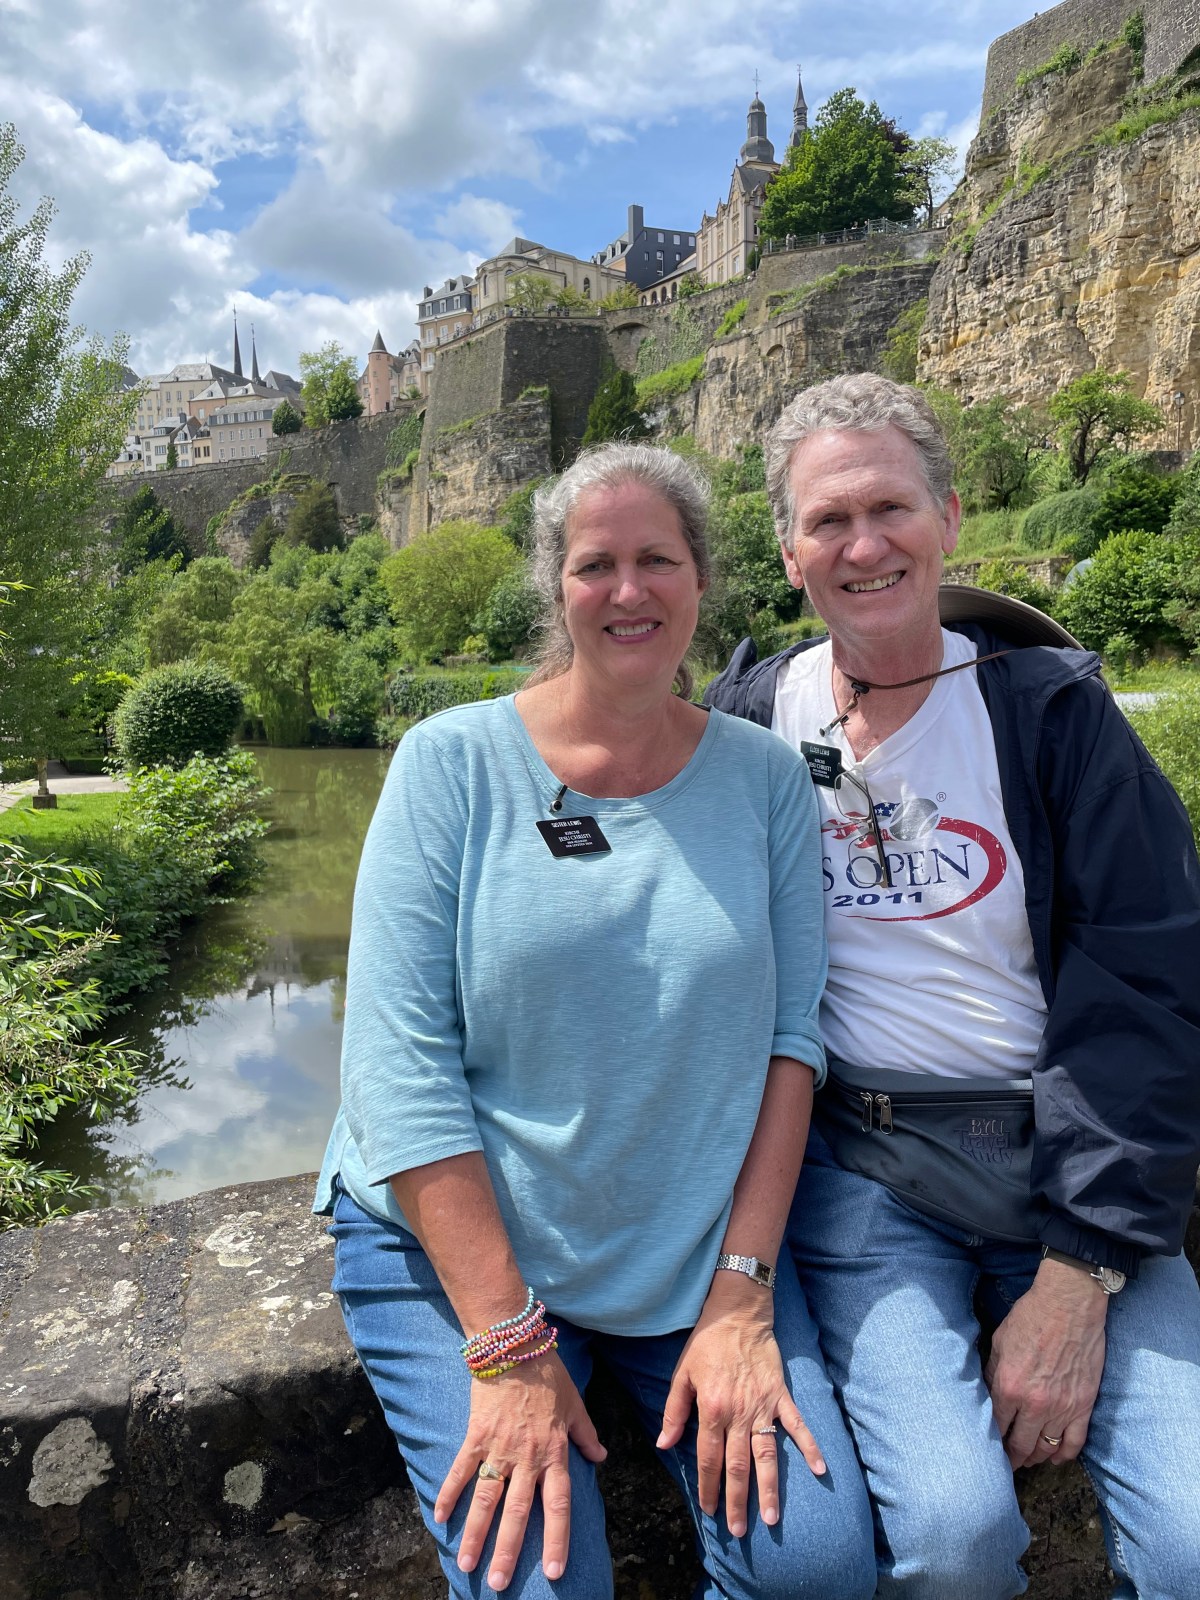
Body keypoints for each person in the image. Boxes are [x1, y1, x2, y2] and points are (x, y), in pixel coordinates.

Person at [314, 441, 875, 1600]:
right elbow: (395, 1068)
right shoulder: (449, 765)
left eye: (657, 558)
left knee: (814, 1567)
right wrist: (509, 1348)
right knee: (544, 1583)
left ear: (704, 581)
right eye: (595, 564)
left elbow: (792, 1041)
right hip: (462, 1250)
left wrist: (741, 1289)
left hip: (690, 1245)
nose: (629, 590)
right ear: (554, 587)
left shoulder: (767, 778)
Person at [705, 373, 1200, 1599]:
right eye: (828, 521)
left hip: (1074, 1168)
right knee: (956, 1532)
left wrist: (1081, 1270)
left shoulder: (1054, 715)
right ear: (788, 552)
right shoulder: (755, 715)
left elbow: (1153, 981)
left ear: (950, 518)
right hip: (867, 1175)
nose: (863, 545)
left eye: (890, 507)